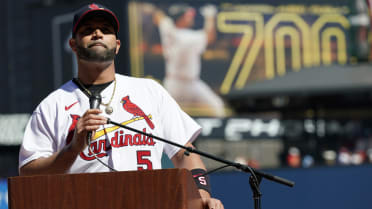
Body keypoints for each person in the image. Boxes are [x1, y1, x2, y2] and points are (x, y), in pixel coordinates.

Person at [18, 3, 223, 209]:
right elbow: (27, 173)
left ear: (117, 45)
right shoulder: (52, 105)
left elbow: (184, 152)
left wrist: (201, 196)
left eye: (105, 30)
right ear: (73, 44)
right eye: (88, 30)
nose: (97, 34)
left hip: (153, 201)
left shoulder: (149, 91)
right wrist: (72, 150)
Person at [153, 4, 226, 117]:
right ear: (180, 19)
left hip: (183, 83)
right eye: (187, 16)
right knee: (217, 107)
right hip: (180, 85)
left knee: (216, 106)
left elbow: (159, 17)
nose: (191, 18)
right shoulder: (186, 37)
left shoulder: (167, 28)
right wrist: (210, 17)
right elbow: (210, 37)